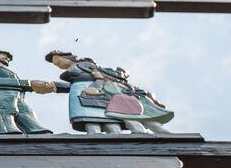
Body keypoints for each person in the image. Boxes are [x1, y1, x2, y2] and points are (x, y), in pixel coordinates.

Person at [44, 50, 174, 134]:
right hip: (82, 94)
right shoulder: (75, 71)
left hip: (92, 94)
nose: (57, 64)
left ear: (68, 56)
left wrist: (95, 87)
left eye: (57, 59)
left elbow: (98, 77)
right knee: (93, 122)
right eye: (55, 63)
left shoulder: (83, 65)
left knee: (107, 120)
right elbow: (72, 86)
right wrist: (53, 87)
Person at [0, 42, 55, 135]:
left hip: (11, 94)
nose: (8, 58)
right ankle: (5, 130)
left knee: (24, 110)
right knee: (6, 107)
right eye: (4, 54)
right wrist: (27, 84)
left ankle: (35, 129)